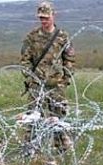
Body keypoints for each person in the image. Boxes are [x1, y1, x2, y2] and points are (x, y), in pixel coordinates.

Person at [20, 1, 75, 153]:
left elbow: (69, 59)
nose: (43, 21)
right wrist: (30, 78)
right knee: (33, 116)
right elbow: (25, 60)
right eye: (41, 18)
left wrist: (65, 80)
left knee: (57, 117)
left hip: (56, 84)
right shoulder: (32, 37)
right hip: (36, 84)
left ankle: (61, 147)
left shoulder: (62, 36)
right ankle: (30, 148)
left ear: (53, 16)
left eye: (46, 17)